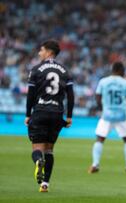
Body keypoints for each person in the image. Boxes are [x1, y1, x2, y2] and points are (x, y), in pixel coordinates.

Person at [25, 40, 74, 192]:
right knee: (50, 150)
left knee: (37, 148)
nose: (40, 53)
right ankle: (45, 184)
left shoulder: (36, 69)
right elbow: (70, 95)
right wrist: (69, 116)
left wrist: (28, 114)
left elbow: (30, 95)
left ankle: (38, 161)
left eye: (41, 50)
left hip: (40, 110)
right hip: (57, 112)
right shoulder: (65, 71)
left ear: (49, 52)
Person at [88, 62, 126, 175]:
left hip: (107, 115)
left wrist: (102, 108)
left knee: (100, 138)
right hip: (122, 115)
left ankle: (95, 164)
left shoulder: (103, 81)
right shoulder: (125, 83)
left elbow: (98, 97)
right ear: (120, 70)